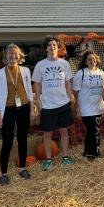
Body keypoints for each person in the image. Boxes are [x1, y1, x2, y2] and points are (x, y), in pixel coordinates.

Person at [0, 44, 35, 186]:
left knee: (22, 138)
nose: (12, 56)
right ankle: (4, 173)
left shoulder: (25, 71)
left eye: (15, 54)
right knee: (7, 141)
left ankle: (23, 167)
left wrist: (31, 108)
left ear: (19, 56)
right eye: (10, 54)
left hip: (23, 107)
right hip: (8, 109)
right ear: (5, 57)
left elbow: (29, 89)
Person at [32, 35, 75, 171]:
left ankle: (65, 157)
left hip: (63, 103)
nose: (52, 47)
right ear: (46, 48)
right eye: (49, 45)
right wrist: (38, 100)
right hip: (48, 104)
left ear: (58, 47)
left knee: (64, 131)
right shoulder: (40, 65)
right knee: (47, 134)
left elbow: (68, 82)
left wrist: (69, 97)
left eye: (54, 45)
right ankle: (49, 160)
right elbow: (37, 84)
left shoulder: (64, 64)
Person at [72, 50, 104, 160]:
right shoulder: (81, 73)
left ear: (97, 60)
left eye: (93, 59)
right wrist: (80, 103)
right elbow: (75, 91)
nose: (92, 61)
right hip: (86, 107)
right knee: (93, 130)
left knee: (94, 130)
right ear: (86, 62)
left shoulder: (101, 72)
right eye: (89, 59)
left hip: (98, 106)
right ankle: (93, 153)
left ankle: (89, 153)